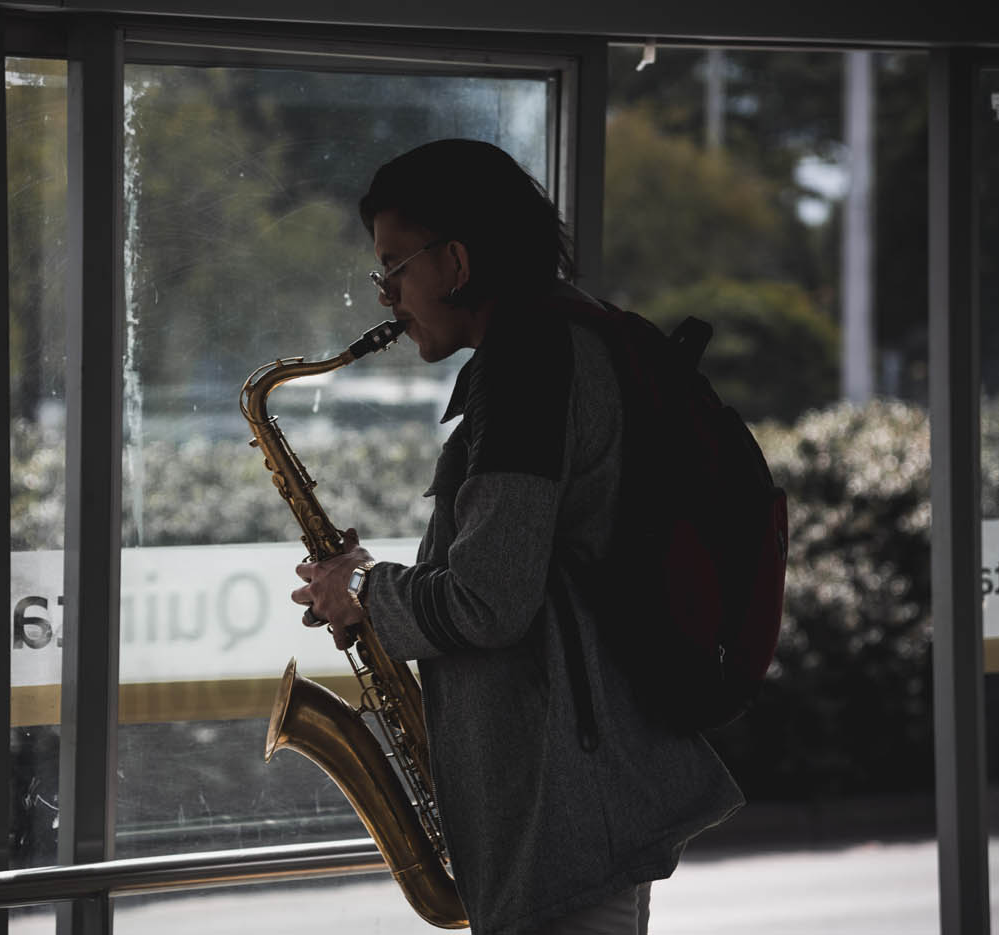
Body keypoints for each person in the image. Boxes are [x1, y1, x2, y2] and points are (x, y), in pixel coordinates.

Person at [290, 139, 742, 935]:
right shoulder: (561, 340)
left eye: (395, 266)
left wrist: (362, 591)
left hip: (562, 809)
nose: (386, 294)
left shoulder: (530, 363)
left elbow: (489, 598)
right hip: (573, 798)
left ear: (456, 259)